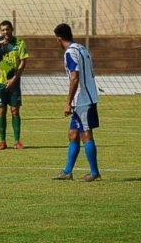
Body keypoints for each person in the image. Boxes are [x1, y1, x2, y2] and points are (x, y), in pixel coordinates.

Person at [52, 23, 101, 182]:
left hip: (82, 100)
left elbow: (75, 77)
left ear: (59, 39)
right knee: (73, 134)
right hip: (87, 97)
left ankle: (94, 172)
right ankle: (67, 171)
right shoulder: (82, 48)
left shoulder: (70, 53)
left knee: (86, 134)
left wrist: (68, 102)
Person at [0, 20, 29, 150]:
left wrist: (14, 79)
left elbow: (23, 62)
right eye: (3, 30)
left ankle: (17, 141)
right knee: (1, 111)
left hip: (14, 82)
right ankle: (2, 141)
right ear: (0, 31)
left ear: (12, 29)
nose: (5, 32)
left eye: (7, 29)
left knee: (15, 110)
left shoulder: (19, 43)